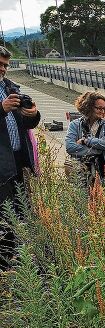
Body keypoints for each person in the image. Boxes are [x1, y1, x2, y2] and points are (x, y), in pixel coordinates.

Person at [0, 46, 41, 270]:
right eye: (0, 64)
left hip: (17, 162)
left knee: (18, 211)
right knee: (4, 214)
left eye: (5, 65)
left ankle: (14, 259)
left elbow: (23, 124)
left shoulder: (9, 88)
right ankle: (5, 264)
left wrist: (33, 115)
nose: (3, 69)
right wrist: (1, 109)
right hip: (1, 167)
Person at [64, 91, 105, 188]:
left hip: (104, 173)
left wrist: (86, 141)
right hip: (80, 173)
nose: (102, 111)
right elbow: (70, 147)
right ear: (88, 106)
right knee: (83, 200)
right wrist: (99, 150)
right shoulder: (75, 125)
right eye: (98, 108)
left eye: (104, 108)